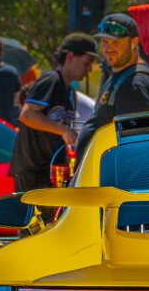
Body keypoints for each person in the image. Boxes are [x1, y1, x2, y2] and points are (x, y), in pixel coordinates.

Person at [12, 32, 99, 192]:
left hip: (50, 170)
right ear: (70, 57)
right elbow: (27, 115)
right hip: (32, 170)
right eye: (86, 63)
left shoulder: (69, 91)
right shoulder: (51, 80)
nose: (89, 69)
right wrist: (63, 130)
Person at [86, 12, 149, 137]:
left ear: (134, 42)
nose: (108, 49)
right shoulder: (118, 74)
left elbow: (132, 141)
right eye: (104, 41)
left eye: (115, 42)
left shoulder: (134, 85)